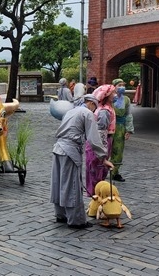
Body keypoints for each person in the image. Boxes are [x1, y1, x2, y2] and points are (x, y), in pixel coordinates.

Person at [50, 94, 114, 229]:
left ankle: (61, 215)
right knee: (71, 184)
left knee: (59, 182)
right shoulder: (86, 113)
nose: (93, 110)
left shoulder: (70, 111)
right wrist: (103, 157)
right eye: (94, 107)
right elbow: (93, 138)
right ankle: (76, 220)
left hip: (58, 148)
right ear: (90, 103)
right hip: (70, 151)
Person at [85, 84, 116, 196]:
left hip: (97, 141)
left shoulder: (104, 109)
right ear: (107, 95)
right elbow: (101, 132)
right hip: (99, 142)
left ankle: (95, 191)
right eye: (113, 93)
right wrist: (102, 152)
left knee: (96, 168)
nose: (115, 95)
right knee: (97, 168)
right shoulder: (104, 111)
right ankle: (96, 193)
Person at [110, 78, 135, 182]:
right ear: (114, 86)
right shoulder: (109, 98)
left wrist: (128, 130)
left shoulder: (126, 100)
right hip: (109, 126)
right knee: (106, 149)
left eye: (123, 85)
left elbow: (128, 114)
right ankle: (101, 171)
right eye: (119, 85)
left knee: (118, 150)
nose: (122, 87)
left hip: (120, 126)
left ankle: (115, 172)